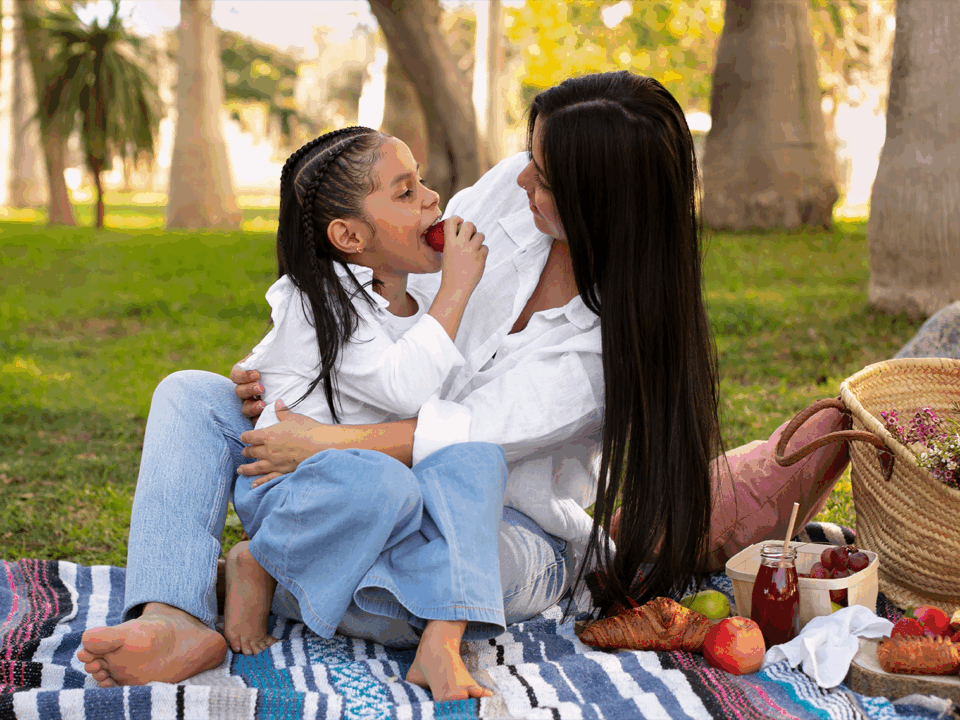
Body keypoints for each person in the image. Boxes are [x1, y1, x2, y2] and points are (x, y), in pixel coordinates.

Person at [78, 71, 849, 694]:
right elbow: (373, 269)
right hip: (358, 469)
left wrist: (321, 439)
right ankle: (175, 613)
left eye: (545, 178)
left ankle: (278, 570)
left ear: (598, 205)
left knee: (443, 566)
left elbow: (465, 436)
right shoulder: (508, 203)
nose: (520, 184)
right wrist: (281, 373)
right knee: (192, 394)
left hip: (496, 525)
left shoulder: (607, 347)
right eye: (530, 159)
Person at [216, 127, 504, 703]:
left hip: (382, 487)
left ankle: (442, 640)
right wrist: (457, 289)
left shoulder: (411, 308)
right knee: (383, 482)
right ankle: (260, 560)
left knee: (478, 460)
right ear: (349, 235)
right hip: (294, 487)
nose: (430, 198)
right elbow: (403, 387)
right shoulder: (320, 298)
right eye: (404, 191)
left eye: (421, 180)